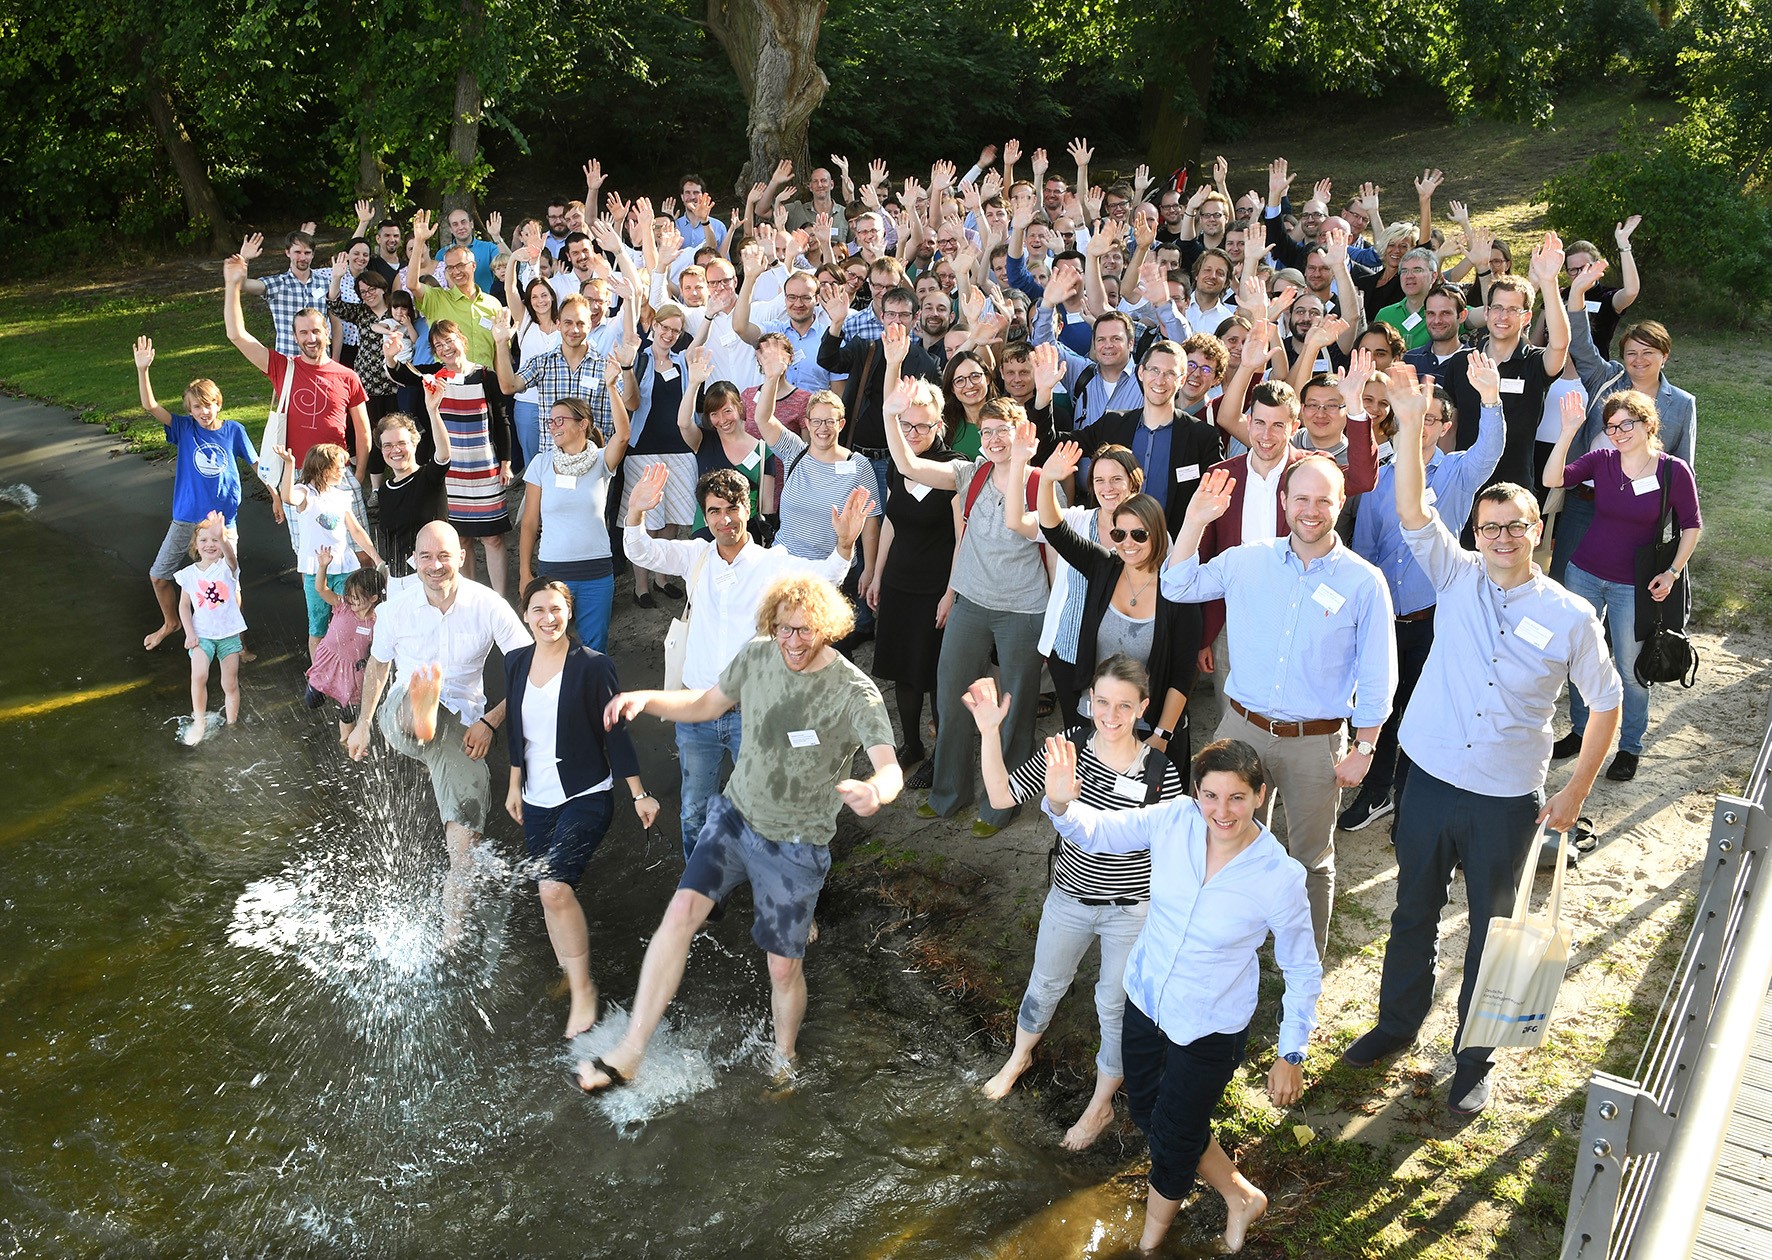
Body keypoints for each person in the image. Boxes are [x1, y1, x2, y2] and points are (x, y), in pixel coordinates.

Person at [1340, 365, 1622, 1115]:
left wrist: (1575, 791)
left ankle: (1474, 1060)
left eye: (1515, 527)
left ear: (1537, 532)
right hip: (1428, 782)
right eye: (1489, 527)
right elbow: (1408, 507)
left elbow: (1606, 703)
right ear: (1476, 533)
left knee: (1492, 936)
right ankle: (1395, 1027)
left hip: (1506, 799)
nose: (1500, 538)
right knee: (1412, 914)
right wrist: (1406, 422)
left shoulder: (1569, 616)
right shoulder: (1456, 575)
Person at [578, 574, 902, 1091]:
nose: (792, 643)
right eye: (783, 630)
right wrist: (647, 699)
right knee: (680, 913)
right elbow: (707, 705)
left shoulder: (852, 691)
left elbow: (890, 765)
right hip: (734, 817)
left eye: (803, 631)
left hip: (796, 844)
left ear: (828, 628)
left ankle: (784, 1055)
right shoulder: (757, 655)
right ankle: (630, 1051)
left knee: (782, 969)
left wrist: (876, 791)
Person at [1043, 736, 1320, 1255]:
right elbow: (1100, 830)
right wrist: (1061, 802)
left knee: (1171, 1138)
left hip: (1210, 1025)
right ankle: (1241, 1196)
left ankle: (1148, 1245)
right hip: (1146, 1000)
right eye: (1211, 796)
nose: (1222, 811)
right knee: (1152, 1115)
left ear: (1260, 796)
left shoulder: (1279, 878)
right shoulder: (1172, 819)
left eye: (1237, 797)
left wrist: (1291, 1052)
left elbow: (1303, 968)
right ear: (1196, 794)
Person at [1164, 456, 1398, 957]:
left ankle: (1303, 960)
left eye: (1323, 501)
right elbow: (1176, 585)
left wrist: (1365, 748)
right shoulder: (1247, 559)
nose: (1311, 511)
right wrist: (1195, 520)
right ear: (1283, 502)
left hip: (1315, 744)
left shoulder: (1364, 582)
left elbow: (1380, 674)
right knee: (1232, 842)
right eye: (1301, 499)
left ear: (1341, 503)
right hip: (1240, 729)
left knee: (1311, 859)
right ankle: (1237, 941)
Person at [964, 661, 1190, 1150]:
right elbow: (1002, 796)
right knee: (1044, 984)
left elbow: (1170, 852)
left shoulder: (1160, 771)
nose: (1110, 714)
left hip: (1132, 910)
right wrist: (988, 732)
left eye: (1124, 705)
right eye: (1102, 702)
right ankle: (1019, 1057)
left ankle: (1100, 1103)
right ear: (1090, 698)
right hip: (1069, 897)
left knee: (1114, 1004)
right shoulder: (1067, 748)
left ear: (1143, 709)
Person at [621, 463, 872, 859]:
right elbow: (640, 550)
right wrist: (635, 512)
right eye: (715, 511)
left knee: (764, 808)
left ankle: (769, 888)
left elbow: (825, 578)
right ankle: (701, 893)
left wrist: (844, 545)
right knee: (694, 812)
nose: (725, 520)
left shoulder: (774, 563)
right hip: (698, 708)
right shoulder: (695, 557)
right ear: (705, 516)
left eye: (732, 508)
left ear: (749, 507)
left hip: (754, 711)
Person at [1341, 352, 1506, 831]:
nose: (1426, 425)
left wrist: (1491, 400)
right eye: (1420, 416)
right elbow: (1366, 541)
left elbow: (1490, 451)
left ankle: (1408, 799)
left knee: (1423, 710)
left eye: (1435, 418)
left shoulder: (1458, 472)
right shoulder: (1378, 475)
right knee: (1379, 708)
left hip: (1432, 616)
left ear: (1446, 426)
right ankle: (1375, 792)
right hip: (1381, 617)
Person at [347, 521, 533, 944]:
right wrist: (361, 725)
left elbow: (529, 667)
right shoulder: (397, 607)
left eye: (444, 556)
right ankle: (423, 705)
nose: (434, 566)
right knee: (417, 707)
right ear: (413, 560)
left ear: (462, 557)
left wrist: (491, 721)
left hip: (462, 726)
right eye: (425, 557)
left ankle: (449, 938)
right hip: (402, 712)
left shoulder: (487, 604)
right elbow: (377, 666)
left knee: (463, 845)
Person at [884, 369, 1049, 838]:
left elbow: (1051, 551)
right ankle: (948, 793)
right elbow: (909, 465)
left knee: (1015, 709)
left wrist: (1056, 615)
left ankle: (1002, 801)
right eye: (989, 431)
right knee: (954, 696)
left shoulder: (1040, 484)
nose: (996, 439)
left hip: (1023, 610)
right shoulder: (968, 474)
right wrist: (890, 412)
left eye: (1005, 432)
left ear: (1021, 436)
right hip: (972, 602)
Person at [503, 579, 659, 1039]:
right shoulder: (515, 663)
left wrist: (638, 793)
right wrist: (514, 786)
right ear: (526, 615)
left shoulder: (593, 667)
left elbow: (616, 733)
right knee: (548, 892)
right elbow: (516, 731)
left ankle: (584, 991)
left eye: (556, 609)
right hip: (535, 797)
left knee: (553, 888)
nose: (547, 618)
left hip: (586, 793)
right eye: (537, 610)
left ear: (569, 613)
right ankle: (571, 974)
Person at [1543, 389, 1702, 781]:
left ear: (1649, 423)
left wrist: (1673, 571)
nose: (1618, 432)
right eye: (1611, 426)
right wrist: (1567, 432)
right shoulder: (1601, 460)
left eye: (1626, 423)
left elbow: (1692, 525)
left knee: (1631, 669)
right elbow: (1552, 478)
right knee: (1580, 660)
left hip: (1635, 585)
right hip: (1584, 572)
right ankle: (1581, 731)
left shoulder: (1672, 470)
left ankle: (1629, 746)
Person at [1037, 442, 1200, 768]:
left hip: (1149, 730)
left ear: (1157, 534)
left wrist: (1161, 736)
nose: (1128, 543)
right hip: (1097, 723)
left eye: (1139, 535)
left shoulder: (1177, 593)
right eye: (1119, 534)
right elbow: (1053, 529)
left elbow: (1182, 677)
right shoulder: (1104, 566)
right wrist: (1046, 480)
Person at [222, 251, 372, 531]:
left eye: (315, 331)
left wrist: (359, 473)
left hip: (338, 471)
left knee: (358, 552)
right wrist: (232, 286)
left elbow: (363, 432)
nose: (310, 338)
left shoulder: (348, 376)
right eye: (303, 333)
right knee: (309, 557)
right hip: (297, 476)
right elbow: (236, 334)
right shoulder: (282, 367)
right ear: (295, 337)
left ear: (326, 331)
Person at [863, 388, 965, 786]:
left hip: (936, 586)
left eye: (923, 424)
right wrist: (875, 573)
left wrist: (951, 593)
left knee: (938, 675)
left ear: (939, 424)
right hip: (899, 582)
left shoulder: (953, 468)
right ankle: (911, 743)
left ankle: (942, 753)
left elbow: (962, 538)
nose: (914, 431)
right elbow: (889, 521)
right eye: (906, 424)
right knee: (902, 671)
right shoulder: (895, 465)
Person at [132, 337, 257, 653]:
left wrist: (278, 495)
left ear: (219, 402)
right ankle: (171, 623)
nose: (204, 411)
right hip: (186, 519)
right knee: (159, 577)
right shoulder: (185, 429)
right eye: (197, 406)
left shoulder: (234, 431)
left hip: (223, 523)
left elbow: (258, 464)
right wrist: (143, 370)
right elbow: (150, 406)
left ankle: (236, 642)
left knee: (230, 583)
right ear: (190, 410)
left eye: (208, 404)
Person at [388, 320, 513, 595]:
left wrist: (506, 461)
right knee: (462, 540)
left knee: (492, 538)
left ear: (462, 339)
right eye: (438, 346)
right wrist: (390, 355)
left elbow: (502, 420)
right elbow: (402, 375)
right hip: (450, 473)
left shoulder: (485, 376)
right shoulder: (434, 377)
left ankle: (500, 598)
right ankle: (469, 596)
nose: (446, 349)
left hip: (485, 469)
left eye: (449, 341)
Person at [517, 377, 632, 652]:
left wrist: (613, 387)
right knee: (551, 646)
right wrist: (524, 572)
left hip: (596, 572)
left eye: (561, 420)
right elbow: (530, 523)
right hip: (554, 571)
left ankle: (595, 696)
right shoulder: (541, 463)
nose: (553, 426)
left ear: (583, 424)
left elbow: (624, 434)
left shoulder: (602, 460)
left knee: (595, 648)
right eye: (551, 421)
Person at [274, 442, 383, 657]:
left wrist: (376, 558)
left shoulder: (341, 495)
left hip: (345, 568)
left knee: (351, 618)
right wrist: (289, 464)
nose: (344, 470)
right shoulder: (305, 493)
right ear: (322, 469)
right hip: (317, 570)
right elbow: (288, 497)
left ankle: (349, 665)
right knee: (318, 627)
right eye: (339, 467)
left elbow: (357, 531)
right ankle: (318, 680)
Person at [621, 304, 698, 607]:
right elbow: (631, 404)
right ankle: (641, 585)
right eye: (664, 327)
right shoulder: (638, 361)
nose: (668, 334)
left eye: (675, 330)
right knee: (646, 519)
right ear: (653, 326)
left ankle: (662, 578)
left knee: (673, 520)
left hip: (680, 448)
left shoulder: (683, 363)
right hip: (643, 449)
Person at [175, 512, 248, 746]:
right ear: (195, 545)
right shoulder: (189, 575)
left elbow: (232, 559)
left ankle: (232, 724)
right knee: (199, 675)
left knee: (230, 683)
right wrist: (189, 632)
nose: (210, 545)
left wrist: (223, 538)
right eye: (204, 540)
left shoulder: (228, 569)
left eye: (214, 540)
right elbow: (184, 606)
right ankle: (199, 721)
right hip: (201, 635)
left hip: (228, 635)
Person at [304, 555, 386, 745]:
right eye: (349, 595)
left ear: (373, 598)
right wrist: (323, 566)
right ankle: (324, 690)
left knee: (347, 709)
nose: (351, 600)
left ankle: (346, 741)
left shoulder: (377, 620)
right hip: (328, 662)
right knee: (312, 700)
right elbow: (321, 589)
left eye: (356, 598)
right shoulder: (343, 606)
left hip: (353, 670)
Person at [372, 406, 452, 580]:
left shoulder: (429, 477)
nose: (395, 450)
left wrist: (433, 410)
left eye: (402, 443)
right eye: (388, 445)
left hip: (431, 576)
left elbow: (444, 455)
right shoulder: (385, 490)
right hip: (395, 580)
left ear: (415, 443)